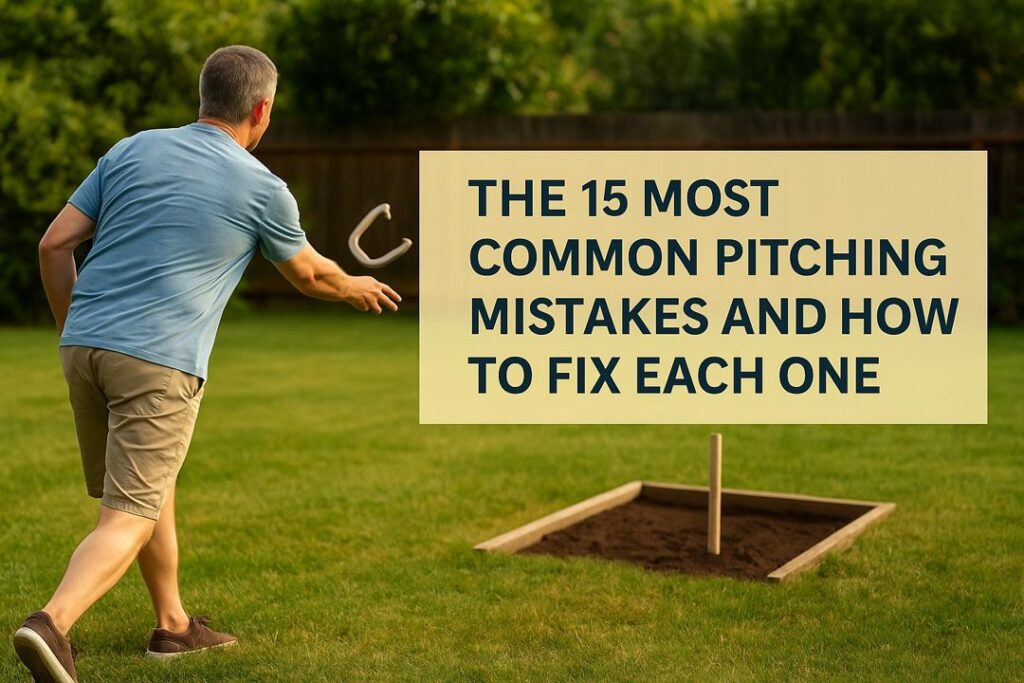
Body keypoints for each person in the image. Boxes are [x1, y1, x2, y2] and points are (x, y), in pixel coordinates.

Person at [13, 45, 401, 683]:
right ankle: (52, 623)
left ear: (204, 98)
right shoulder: (260, 187)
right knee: (128, 513)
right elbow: (308, 274)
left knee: (148, 487)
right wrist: (351, 285)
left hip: (83, 347)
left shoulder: (132, 149)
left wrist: (73, 328)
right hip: (157, 359)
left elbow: (55, 244)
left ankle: (172, 624)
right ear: (261, 110)